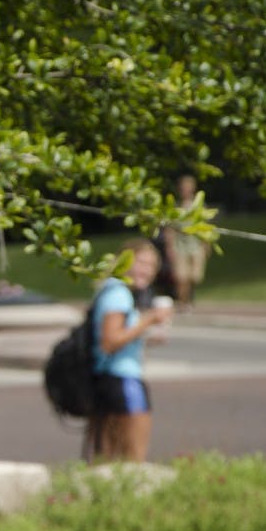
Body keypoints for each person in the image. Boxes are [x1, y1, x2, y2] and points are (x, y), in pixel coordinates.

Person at [84, 238, 171, 463]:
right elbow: (110, 341)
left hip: (112, 380)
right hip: (121, 381)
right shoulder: (118, 293)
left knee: (109, 458)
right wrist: (148, 320)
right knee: (132, 460)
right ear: (125, 262)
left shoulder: (114, 290)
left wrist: (146, 334)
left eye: (152, 266)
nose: (147, 270)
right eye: (141, 263)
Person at [163, 174, 210, 309]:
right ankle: (184, 301)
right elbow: (169, 229)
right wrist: (169, 247)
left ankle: (188, 297)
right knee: (181, 277)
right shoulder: (175, 208)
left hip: (196, 245)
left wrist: (206, 244)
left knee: (195, 276)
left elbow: (205, 227)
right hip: (179, 246)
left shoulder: (199, 206)